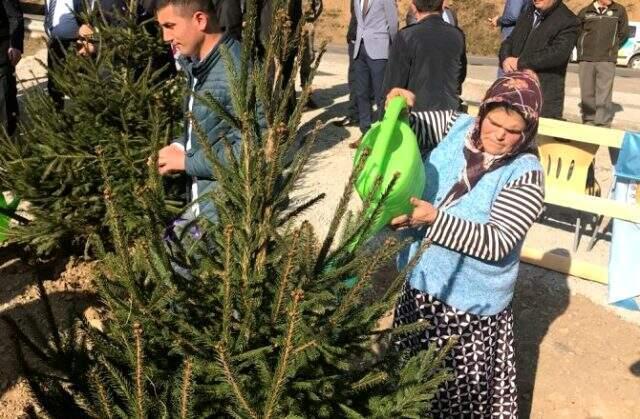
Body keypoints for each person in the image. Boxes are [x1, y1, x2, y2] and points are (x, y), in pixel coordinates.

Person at [388, 70, 545, 418]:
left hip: (467, 309)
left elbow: (497, 242)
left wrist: (434, 221)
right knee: (405, 386)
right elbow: (407, 130)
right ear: (483, 111)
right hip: (420, 283)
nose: (500, 136)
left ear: (528, 131)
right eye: (493, 123)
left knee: (453, 398)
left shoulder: (526, 174)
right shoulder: (454, 126)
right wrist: (399, 109)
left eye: (513, 131)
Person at [155, 0, 242, 223]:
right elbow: (209, 128)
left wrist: (186, 162)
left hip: (227, 218)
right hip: (204, 203)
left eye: (170, 25)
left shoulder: (235, 71)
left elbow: (253, 151)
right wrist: (179, 145)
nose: (165, 37)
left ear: (200, 20)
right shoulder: (198, 66)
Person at [499, 0, 579, 119]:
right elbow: (510, 40)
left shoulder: (568, 20)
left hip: (543, 95)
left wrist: (520, 63)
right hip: (515, 90)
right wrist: (506, 58)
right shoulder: (529, 12)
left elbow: (558, 54)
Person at [382, 0, 466, 113]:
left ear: (414, 7)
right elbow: (461, 74)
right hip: (449, 112)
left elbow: (394, 82)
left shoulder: (406, 36)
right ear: (442, 6)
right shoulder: (457, 35)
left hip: (418, 114)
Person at [577, 0, 629, 127]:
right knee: (587, 91)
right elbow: (577, 33)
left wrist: (612, 48)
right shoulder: (585, 11)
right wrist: (582, 48)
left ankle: (602, 122)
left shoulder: (619, 10)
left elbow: (624, 33)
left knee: (604, 92)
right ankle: (589, 119)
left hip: (607, 58)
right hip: (586, 58)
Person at [352, 0, 398, 137]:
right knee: (361, 92)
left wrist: (393, 48)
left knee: (381, 94)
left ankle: (382, 130)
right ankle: (365, 130)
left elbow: (393, 23)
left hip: (379, 49)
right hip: (359, 49)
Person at [44, 0, 83, 109]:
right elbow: (48, 11)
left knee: (79, 82)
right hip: (54, 42)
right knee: (54, 80)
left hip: (75, 43)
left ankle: (82, 116)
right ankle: (56, 115)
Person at [333, 0, 359, 127]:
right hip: (355, 39)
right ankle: (357, 114)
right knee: (355, 79)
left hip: (365, 42)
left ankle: (357, 116)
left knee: (359, 80)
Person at [0, 0, 23, 136]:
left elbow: (15, 16)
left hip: (2, 53)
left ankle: (8, 143)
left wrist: (15, 45)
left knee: (4, 98)